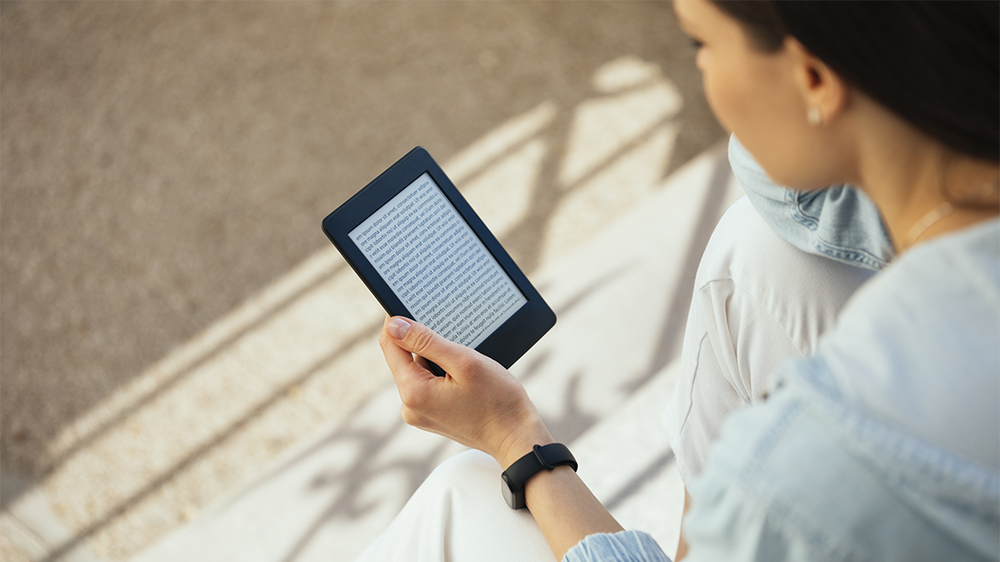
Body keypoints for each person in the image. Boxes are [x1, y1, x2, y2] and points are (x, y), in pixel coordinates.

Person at [357, 1, 1000, 560]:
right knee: (762, 251)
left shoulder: (810, 467)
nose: (701, 76)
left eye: (701, 44)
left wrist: (513, 434)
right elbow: (779, 196)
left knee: (459, 497)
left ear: (812, 77)